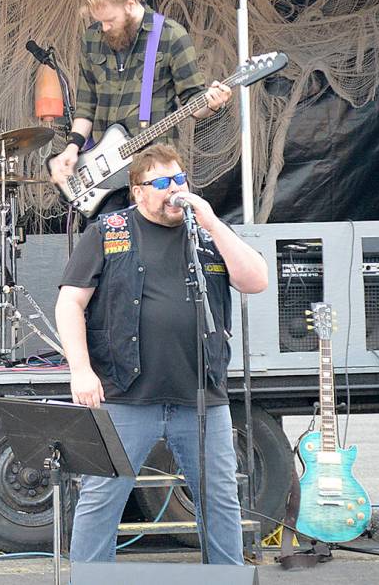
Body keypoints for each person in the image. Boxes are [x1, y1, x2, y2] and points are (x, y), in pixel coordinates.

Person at [54, 144, 268, 564]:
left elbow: (256, 280)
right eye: (163, 182)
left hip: (201, 396)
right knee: (101, 500)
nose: (175, 190)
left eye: (180, 179)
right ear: (138, 191)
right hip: (126, 394)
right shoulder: (108, 230)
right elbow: (69, 302)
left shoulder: (205, 234)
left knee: (220, 501)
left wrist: (210, 220)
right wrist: (80, 370)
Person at [47, 0, 232, 215]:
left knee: (156, 246)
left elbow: (194, 102)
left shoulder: (171, 36)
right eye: (99, 21)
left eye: (110, 21)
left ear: (130, 4)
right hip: (105, 176)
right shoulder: (92, 39)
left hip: (155, 175)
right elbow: (86, 104)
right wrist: (72, 148)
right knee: (108, 247)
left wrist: (212, 102)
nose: (104, 28)